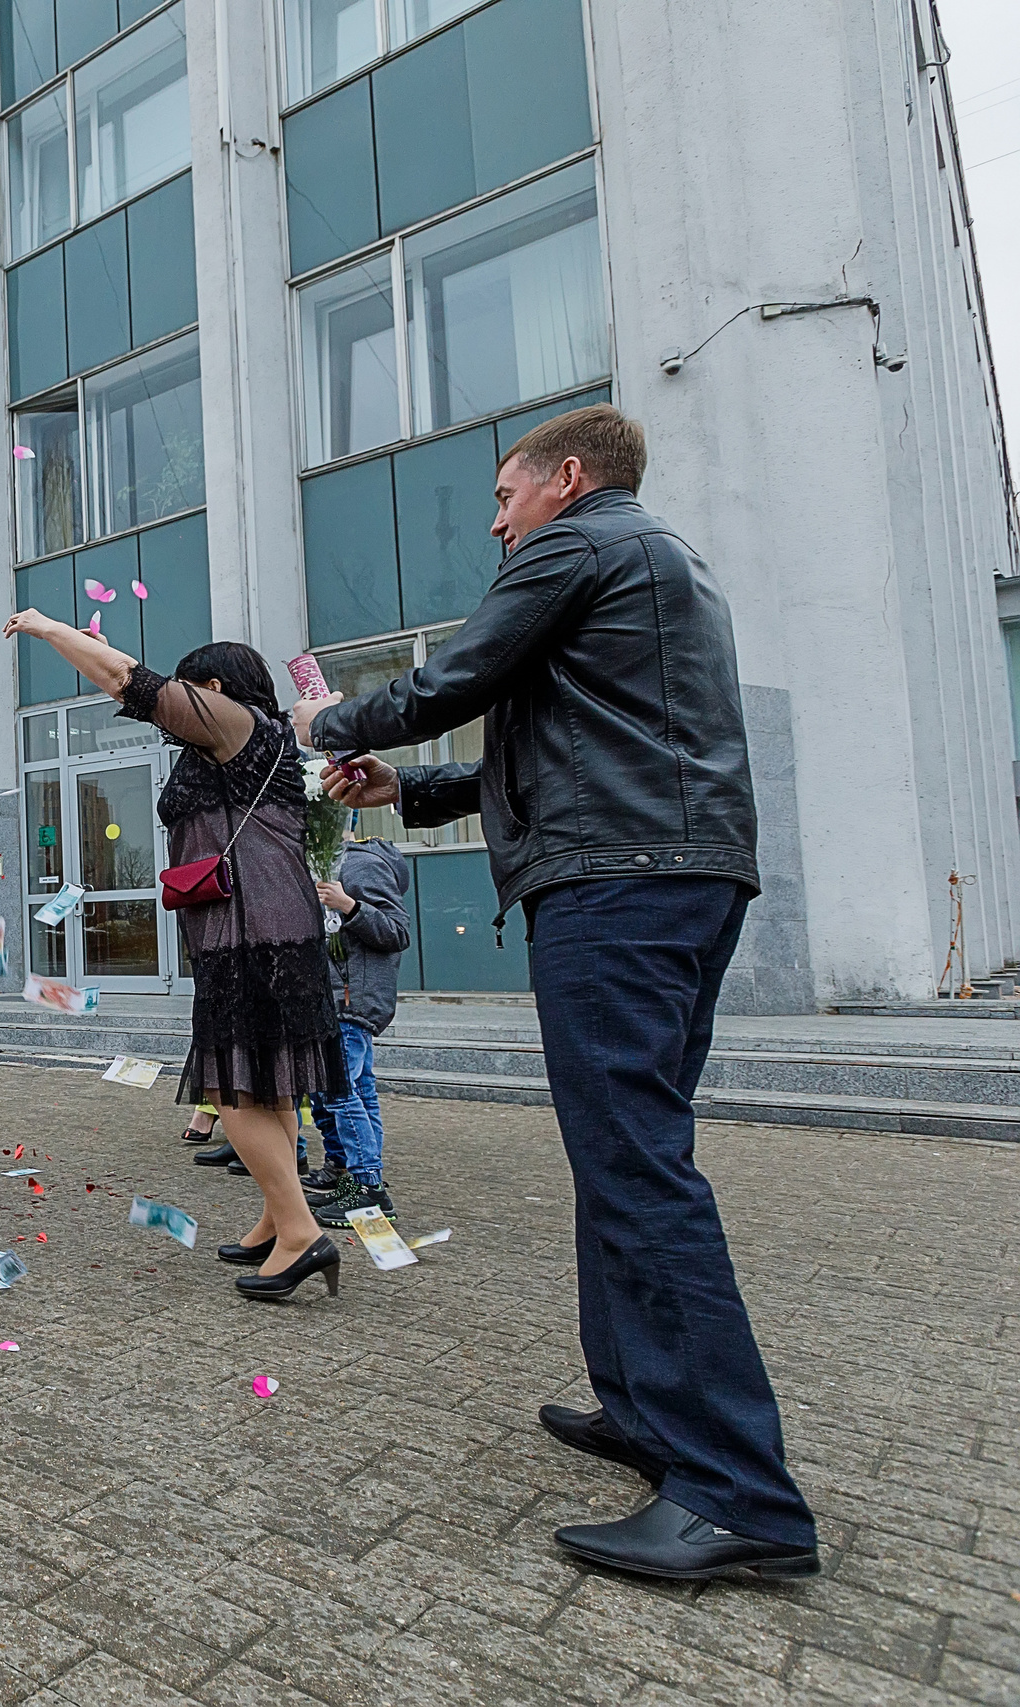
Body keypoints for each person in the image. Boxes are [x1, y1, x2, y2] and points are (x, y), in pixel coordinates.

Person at [297, 404, 819, 1582]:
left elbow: (453, 679)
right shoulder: (652, 559)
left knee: (635, 1165)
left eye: (503, 497)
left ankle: (737, 1495)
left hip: (616, 887)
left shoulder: (578, 543)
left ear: (565, 477)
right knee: (620, 1152)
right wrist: (409, 793)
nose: (497, 525)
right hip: (673, 873)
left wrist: (327, 721)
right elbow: (553, 743)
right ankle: (643, 1408)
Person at [6, 619, 346, 1302]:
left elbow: (124, 679)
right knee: (267, 1082)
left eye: (188, 687)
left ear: (213, 688)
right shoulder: (263, 737)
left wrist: (47, 628)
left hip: (251, 928)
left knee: (229, 1085)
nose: (177, 702)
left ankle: (301, 1232)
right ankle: (277, 1217)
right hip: (273, 924)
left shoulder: (234, 724)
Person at [303, 838, 409, 1228]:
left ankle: (369, 1189)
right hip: (335, 1000)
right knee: (355, 1092)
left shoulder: (362, 865)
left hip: (349, 1002)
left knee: (341, 1093)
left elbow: (396, 931)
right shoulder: (324, 862)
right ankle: (352, 1177)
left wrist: (349, 905)